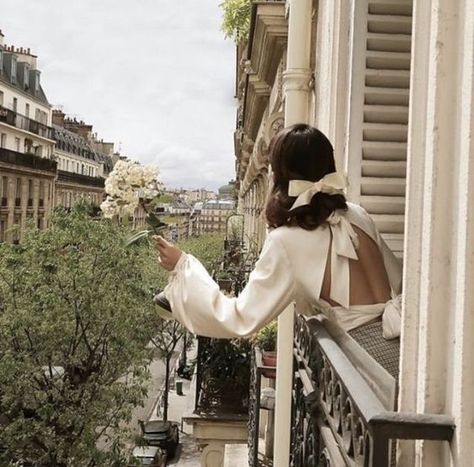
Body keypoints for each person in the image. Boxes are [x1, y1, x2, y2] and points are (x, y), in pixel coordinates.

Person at [154, 124, 402, 354]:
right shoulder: (358, 215)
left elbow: (238, 317)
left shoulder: (287, 241)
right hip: (400, 349)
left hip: (364, 366)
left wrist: (182, 265)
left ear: (281, 175)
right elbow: (398, 281)